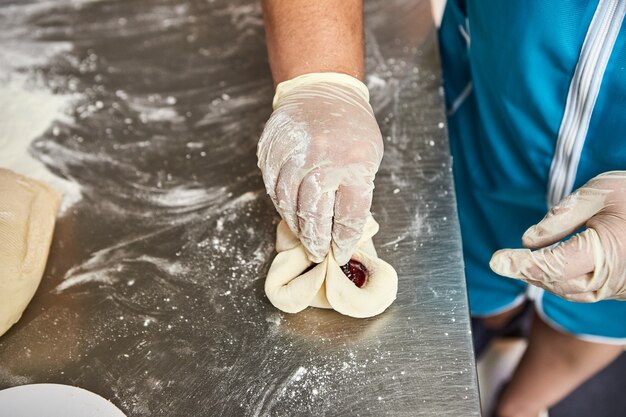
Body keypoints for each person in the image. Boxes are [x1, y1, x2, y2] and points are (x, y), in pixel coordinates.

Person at [257, 1, 626, 416]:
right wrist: (320, 78)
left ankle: (522, 404)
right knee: (482, 287)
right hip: (481, 136)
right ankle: (500, 333)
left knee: (593, 324)